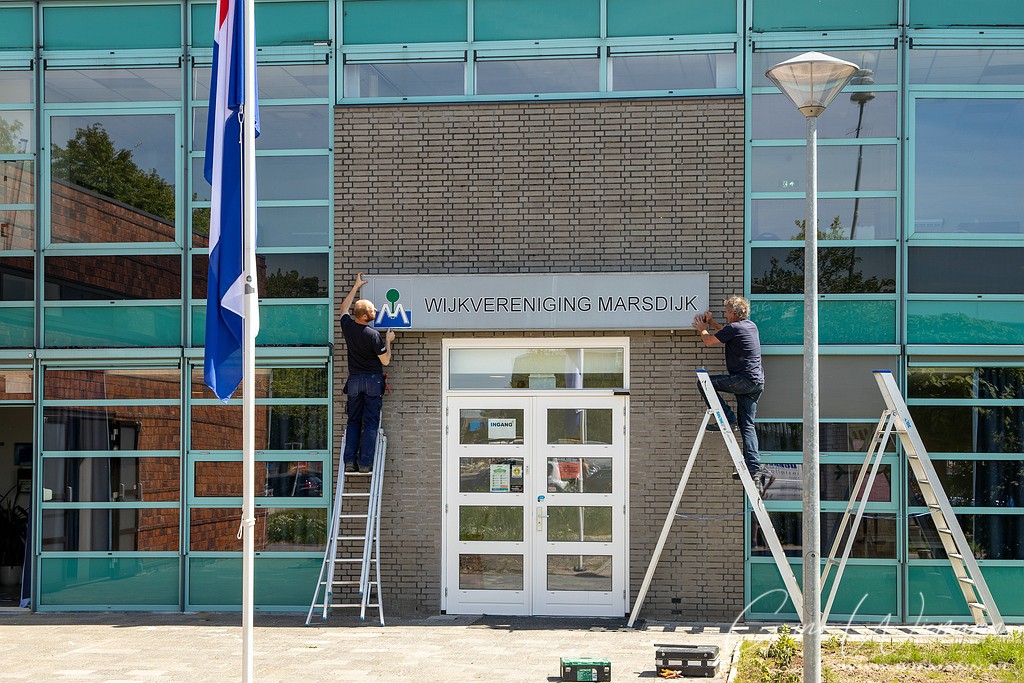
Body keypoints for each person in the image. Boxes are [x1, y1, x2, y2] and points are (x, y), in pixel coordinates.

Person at [692, 296, 773, 493]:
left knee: (705, 383)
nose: (726, 315)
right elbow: (726, 333)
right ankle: (754, 468)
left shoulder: (735, 328)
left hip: (743, 380)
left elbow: (710, 341)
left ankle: (727, 419)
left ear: (733, 313)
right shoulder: (749, 326)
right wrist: (711, 322)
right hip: (756, 383)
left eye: (727, 312)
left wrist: (702, 328)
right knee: (748, 425)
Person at [339, 272, 395, 473]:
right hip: (372, 382)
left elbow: (343, 309)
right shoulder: (373, 335)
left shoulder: (348, 327)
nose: (376, 310)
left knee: (354, 421)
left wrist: (356, 286)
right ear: (364, 316)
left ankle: (349, 461)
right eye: (372, 310)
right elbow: (385, 361)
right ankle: (364, 464)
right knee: (370, 423)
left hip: (354, 381)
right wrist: (388, 341)